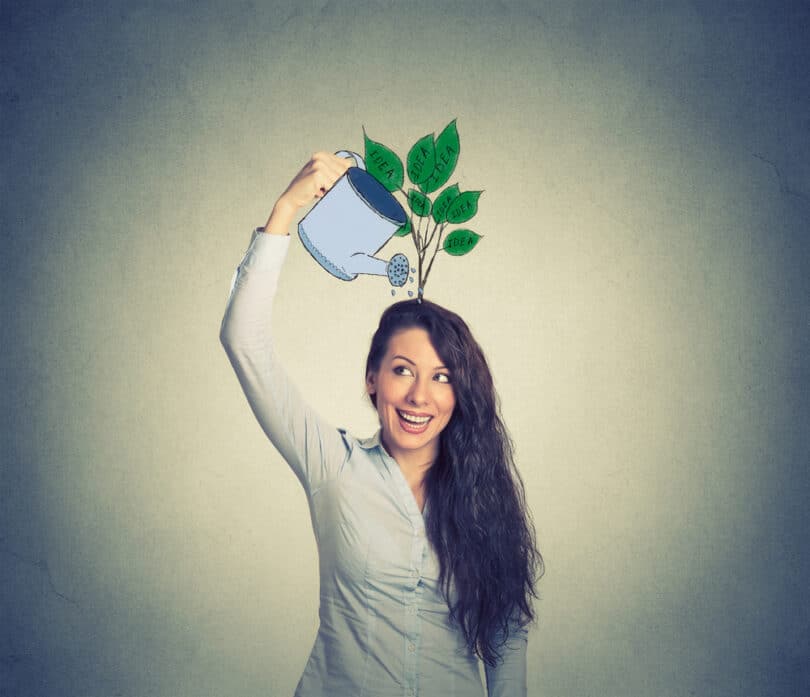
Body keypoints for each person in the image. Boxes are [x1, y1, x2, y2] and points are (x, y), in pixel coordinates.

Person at [220, 152, 542, 697]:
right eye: (402, 371)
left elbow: (507, 643)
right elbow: (243, 340)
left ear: (462, 391)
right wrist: (285, 211)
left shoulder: (487, 497)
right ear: (372, 379)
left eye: (442, 377)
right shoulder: (334, 466)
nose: (420, 396)